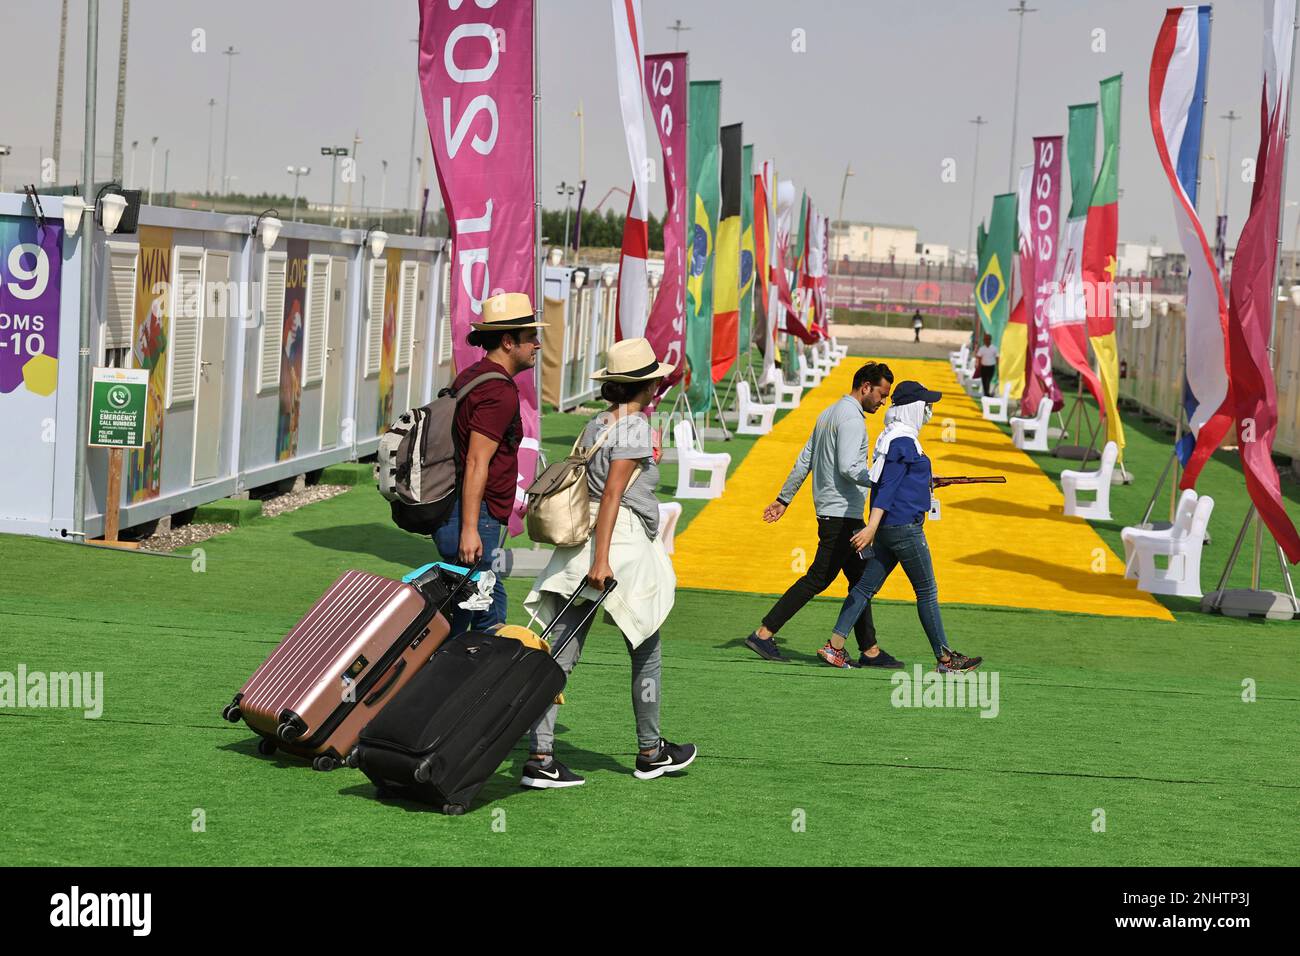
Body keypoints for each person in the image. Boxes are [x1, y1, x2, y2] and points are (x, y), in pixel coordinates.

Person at [520, 337, 697, 789]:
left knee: (559, 651)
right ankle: (650, 751)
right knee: (645, 648)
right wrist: (602, 559)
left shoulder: (599, 422)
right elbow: (614, 494)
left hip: (581, 541)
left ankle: (540, 755)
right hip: (613, 545)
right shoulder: (635, 426)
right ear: (646, 385)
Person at [742, 362, 906, 670]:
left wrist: (783, 498)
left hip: (837, 513)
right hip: (842, 515)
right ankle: (763, 633)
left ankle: (869, 649)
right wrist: (883, 480)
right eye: (882, 394)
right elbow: (848, 467)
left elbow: (805, 459)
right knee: (819, 578)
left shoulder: (828, 413)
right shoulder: (853, 420)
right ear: (866, 387)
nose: (884, 401)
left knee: (861, 579)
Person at [831, 380, 983, 673]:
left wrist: (929, 480)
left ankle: (834, 646)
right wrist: (871, 527)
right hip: (903, 529)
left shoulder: (894, 436)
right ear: (913, 408)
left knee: (864, 588)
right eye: (926, 405)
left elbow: (897, 480)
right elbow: (886, 488)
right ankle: (946, 660)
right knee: (927, 590)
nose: (929, 410)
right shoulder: (903, 440)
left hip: (891, 528)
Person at [432, 291, 544, 633]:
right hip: (471, 514)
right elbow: (478, 462)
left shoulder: (472, 376)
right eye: (530, 338)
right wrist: (469, 528)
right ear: (508, 342)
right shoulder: (498, 392)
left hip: (461, 510)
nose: (537, 345)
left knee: (464, 612)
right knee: (484, 614)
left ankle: (459, 680)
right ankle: (485, 682)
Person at [976, 332, 998, 397]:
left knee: (988, 381)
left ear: (990, 340)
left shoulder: (994, 348)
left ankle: (987, 394)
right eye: (985, 339)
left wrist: (998, 366)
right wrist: (978, 366)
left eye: (987, 339)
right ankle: (986, 394)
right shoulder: (982, 348)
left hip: (991, 367)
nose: (986, 341)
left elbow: (997, 357)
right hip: (983, 367)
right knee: (984, 381)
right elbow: (979, 357)